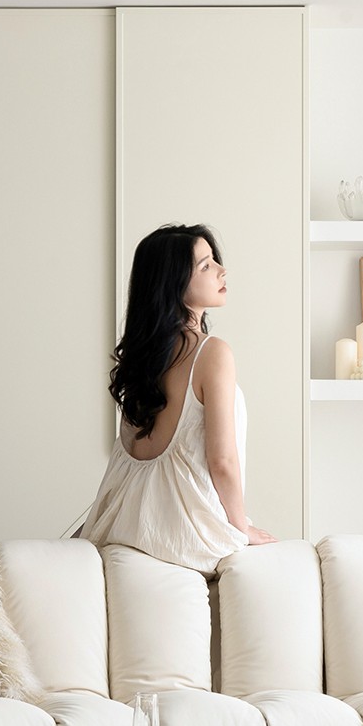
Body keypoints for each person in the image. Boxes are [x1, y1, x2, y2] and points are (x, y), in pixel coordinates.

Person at [77, 222, 277, 572]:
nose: (222, 270)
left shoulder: (144, 359)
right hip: (183, 535)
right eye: (205, 265)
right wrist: (240, 526)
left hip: (124, 525)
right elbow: (222, 461)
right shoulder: (212, 353)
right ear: (174, 284)